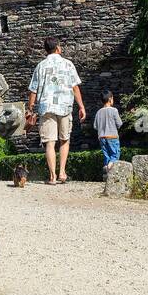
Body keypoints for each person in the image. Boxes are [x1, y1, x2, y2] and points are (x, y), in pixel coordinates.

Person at [27, 37, 86, 185]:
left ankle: (52, 176)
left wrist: (30, 108)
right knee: (64, 139)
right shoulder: (68, 64)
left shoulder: (40, 66)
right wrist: (81, 106)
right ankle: (62, 173)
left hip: (46, 107)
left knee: (49, 142)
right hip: (64, 106)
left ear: (46, 50)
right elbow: (75, 87)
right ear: (58, 48)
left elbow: (33, 90)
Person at [94, 90, 123, 172]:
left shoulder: (98, 112)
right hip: (112, 136)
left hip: (102, 137)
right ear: (110, 99)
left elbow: (95, 126)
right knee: (115, 155)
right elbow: (119, 123)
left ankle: (107, 173)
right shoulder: (114, 110)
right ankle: (109, 167)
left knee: (107, 156)